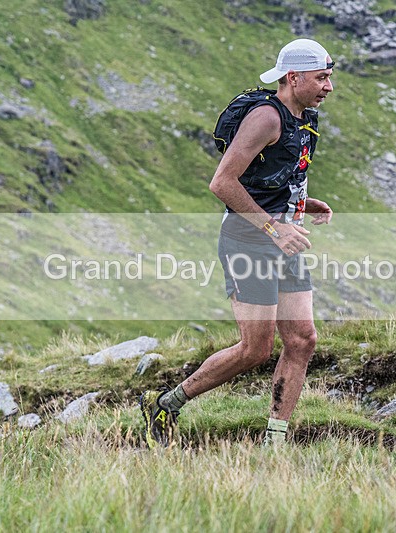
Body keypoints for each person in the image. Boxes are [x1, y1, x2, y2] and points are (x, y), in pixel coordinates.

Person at [141, 38, 335, 448]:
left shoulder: (307, 118)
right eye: (321, 78)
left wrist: (302, 202)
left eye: (329, 77)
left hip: (283, 239)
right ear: (293, 77)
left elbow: (275, 173)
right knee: (255, 350)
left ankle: (275, 440)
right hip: (249, 240)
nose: (328, 87)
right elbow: (222, 182)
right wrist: (275, 228)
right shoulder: (266, 118)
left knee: (302, 338)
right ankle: (167, 403)